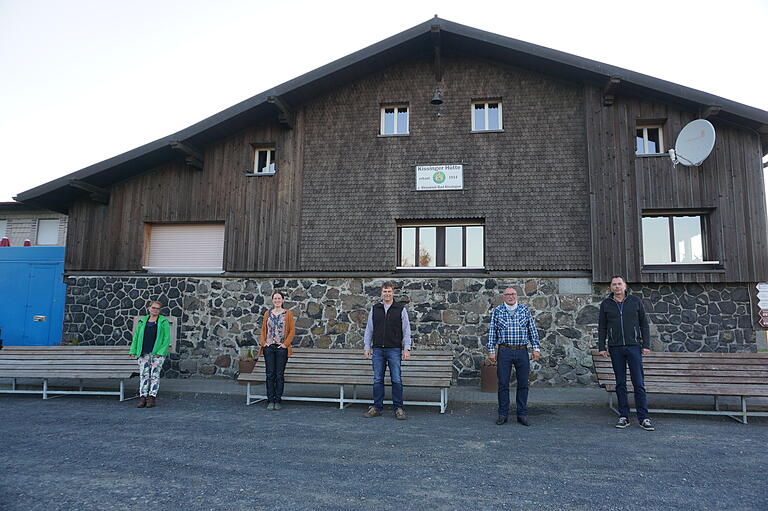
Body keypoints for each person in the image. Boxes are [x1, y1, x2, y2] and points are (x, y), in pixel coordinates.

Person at [598, 276, 654, 431]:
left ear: (625, 286)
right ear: (610, 287)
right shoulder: (606, 304)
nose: (617, 287)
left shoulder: (635, 301)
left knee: (638, 383)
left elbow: (644, 324)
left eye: (619, 284)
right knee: (620, 383)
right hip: (615, 348)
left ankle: (644, 418)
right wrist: (602, 346)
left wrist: (646, 345)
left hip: (634, 347)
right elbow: (602, 326)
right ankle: (624, 416)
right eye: (614, 285)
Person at [486, 287, 541, 426]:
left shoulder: (524, 310)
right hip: (504, 351)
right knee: (503, 384)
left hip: (522, 351)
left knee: (523, 383)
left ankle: (522, 414)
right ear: (503, 297)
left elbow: (532, 330)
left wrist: (536, 348)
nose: (510, 297)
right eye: (507, 294)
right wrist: (491, 350)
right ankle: (503, 414)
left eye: (513, 294)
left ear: (517, 296)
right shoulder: (497, 311)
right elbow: (492, 331)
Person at [363, 282, 412, 420]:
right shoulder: (375, 309)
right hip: (378, 350)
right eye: (385, 291)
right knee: (377, 379)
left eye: (389, 291)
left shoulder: (400, 309)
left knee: (396, 379)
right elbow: (369, 329)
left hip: (394, 350)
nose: (387, 294)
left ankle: (398, 408)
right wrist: (367, 347)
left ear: (393, 293)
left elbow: (406, 330)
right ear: (381, 293)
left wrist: (406, 348)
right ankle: (377, 407)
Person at [129, 300, 171, 408]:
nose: (155, 310)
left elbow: (166, 339)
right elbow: (137, 337)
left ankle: (151, 398)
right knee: (144, 376)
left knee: (154, 376)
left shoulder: (163, 322)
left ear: (160, 310)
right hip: (143, 353)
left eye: (157, 308)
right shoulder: (142, 321)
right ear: (149, 308)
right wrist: (133, 351)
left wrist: (160, 353)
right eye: (153, 307)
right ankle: (143, 397)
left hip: (156, 354)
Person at [259, 291, 295, 410]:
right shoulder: (267, 314)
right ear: (272, 300)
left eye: (279, 298)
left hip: (281, 348)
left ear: (283, 300)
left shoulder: (288, 314)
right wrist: (263, 343)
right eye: (275, 298)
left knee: (279, 375)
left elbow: (292, 331)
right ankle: (270, 400)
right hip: (269, 348)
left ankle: (278, 400)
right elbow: (263, 330)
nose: (277, 300)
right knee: (270, 374)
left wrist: (285, 344)